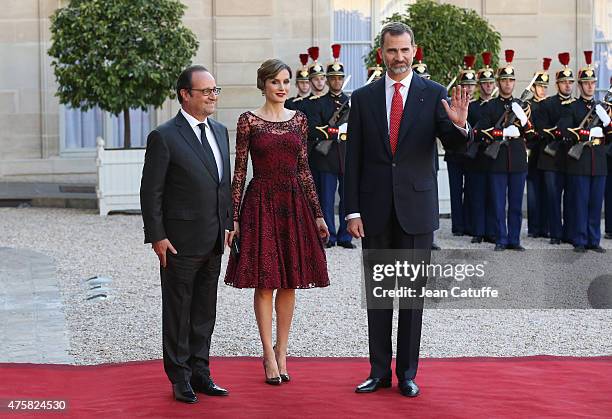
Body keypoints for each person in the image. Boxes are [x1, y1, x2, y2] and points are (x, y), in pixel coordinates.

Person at [345, 22, 470, 397]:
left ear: (414, 51)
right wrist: (352, 211)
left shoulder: (433, 94)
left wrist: (461, 127)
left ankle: (408, 374)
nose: (398, 58)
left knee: (411, 298)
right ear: (380, 54)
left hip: (416, 208)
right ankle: (379, 371)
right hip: (375, 209)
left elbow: (454, 144)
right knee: (380, 294)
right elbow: (353, 160)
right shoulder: (364, 98)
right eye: (391, 51)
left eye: (404, 50)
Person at [224, 59, 330, 385]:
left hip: (294, 203)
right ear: (263, 85)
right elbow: (239, 171)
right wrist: (235, 217)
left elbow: (304, 170)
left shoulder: (299, 120)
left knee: (289, 281)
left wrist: (318, 214)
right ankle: (268, 356)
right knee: (265, 281)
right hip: (261, 203)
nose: (282, 87)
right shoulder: (248, 121)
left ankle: (283, 352)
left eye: (286, 81)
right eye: (275, 82)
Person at [140, 65, 232, 404]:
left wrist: (229, 222)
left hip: (213, 239)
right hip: (178, 242)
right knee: (178, 311)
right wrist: (157, 236)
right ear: (185, 95)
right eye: (206, 91)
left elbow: (224, 183)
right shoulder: (164, 136)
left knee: (205, 310)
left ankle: (201, 372)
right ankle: (179, 377)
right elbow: (151, 192)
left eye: (215, 90)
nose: (213, 96)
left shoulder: (220, 131)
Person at [475, 50, 537, 251]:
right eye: (504, 80)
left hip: (518, 159)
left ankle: (514, 239)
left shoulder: (523, 106)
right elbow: (480, 132)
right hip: (498, 159)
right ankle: (501, 238)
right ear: (499, 82)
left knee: (517, 205)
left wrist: (524, 120)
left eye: (511, 80)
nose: (508, 84)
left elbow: (531, 135)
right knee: (498, 203)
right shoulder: (491, 106)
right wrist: (502, 133)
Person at [559, 51, 611, 252]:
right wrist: (585, 133)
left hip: (598, 162)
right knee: (580, 203)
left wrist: (607, 122)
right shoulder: (571, 107)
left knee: (596, 204)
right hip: (580, 161)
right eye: (586, 83)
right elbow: (565, 130)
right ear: (579, 86)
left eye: (593, 82)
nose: (590, 86)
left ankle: (593, 240)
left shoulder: (602, 107)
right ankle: (579, 240)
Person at [310, 44, 354, 249]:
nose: (337, 81)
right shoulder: (319, 103)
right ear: (327, 80)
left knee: (347, 199)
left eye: (339, 78)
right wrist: (335, 131)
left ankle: (345, 237)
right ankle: (329, 236)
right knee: (326, 200)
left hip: (346, 156)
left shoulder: (351, 102)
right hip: (327, 157)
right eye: (333, 78)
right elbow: (314, 128)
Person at [536, 53, 576, 245]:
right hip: (551, 157)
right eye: (564, 82)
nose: (568, 85)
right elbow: (541, 128)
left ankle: (569, 233)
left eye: (570, 82)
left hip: (571, 157)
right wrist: (559, 132)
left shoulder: (577, 104)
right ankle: (555, 233)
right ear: (557, 84)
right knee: (553, 198)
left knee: (570, 198)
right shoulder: (547, 104)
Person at [464, 51, 496, 244]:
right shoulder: (473, 107)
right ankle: (477, 231)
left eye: (491, 83)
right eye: (484, 83)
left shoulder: (500, 107)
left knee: (493, 196)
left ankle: (491, 231)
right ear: (480, 85)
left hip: (494, 157)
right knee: (476, 195)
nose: (488, 86)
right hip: (476, 156)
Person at [446, 55, 477, 237]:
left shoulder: (479, 106)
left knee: (472, 191)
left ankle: (470, 224)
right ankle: (457, 226)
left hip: (473, 156)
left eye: (472, 85)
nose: (469, 88)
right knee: (455, 191)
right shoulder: (453, 104)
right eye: (466, 85)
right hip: (455, 154)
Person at [526, 58, 552, 239]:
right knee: (534, 191)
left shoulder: (550, 104)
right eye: (539, 86)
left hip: (549, 152)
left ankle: (546, 226)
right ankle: (535, 228)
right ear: (534, 87)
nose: (542, 89)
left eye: (545, 86)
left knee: (548, 190)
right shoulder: (529, 105)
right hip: (534, 151)